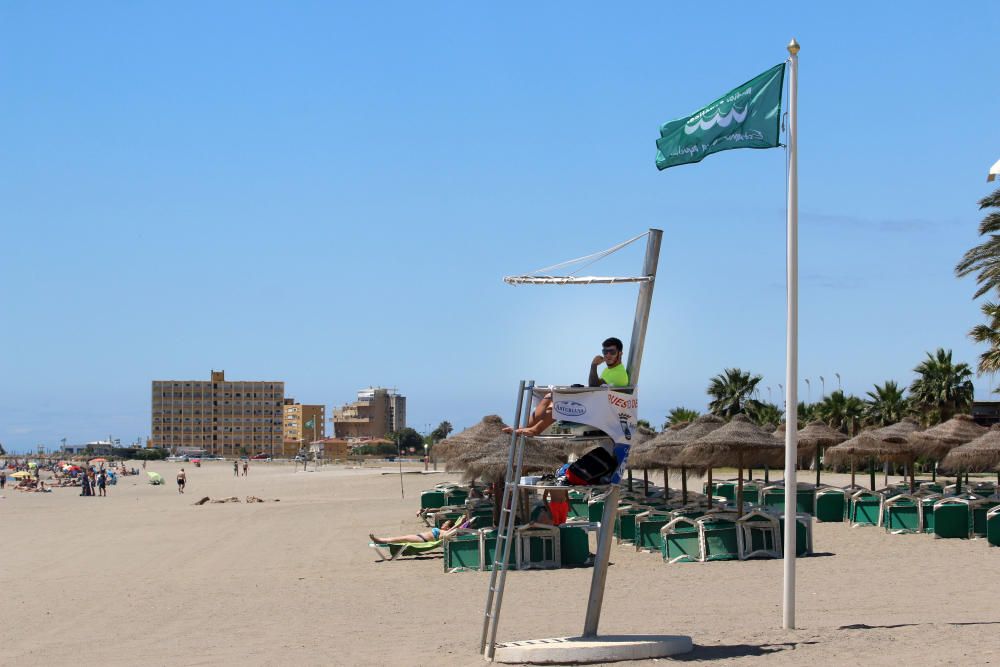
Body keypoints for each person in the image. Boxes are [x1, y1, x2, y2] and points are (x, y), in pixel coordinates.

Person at [505, 337, 630, 437]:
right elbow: (595, 386)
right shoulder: (609, 370)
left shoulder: (619, 374)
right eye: (605, 352)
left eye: (612, 352)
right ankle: (523, 427)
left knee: (558, 403)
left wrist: (593, 366)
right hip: (595, 405)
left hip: (602, 413)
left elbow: (593, 386)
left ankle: (535, 430)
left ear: (620, 353)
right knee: (550, 396)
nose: (608, 355)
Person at [370, 513, 470, 545]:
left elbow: (452, 531)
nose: (443, 524)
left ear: (448, 527)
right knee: (401, 538)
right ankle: (382, 540)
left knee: (401, 538)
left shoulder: (446, 533)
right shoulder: (443, 531)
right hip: (420, 536)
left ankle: (380, 540)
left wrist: (460, 523)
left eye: (445, 523)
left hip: (422, 539)